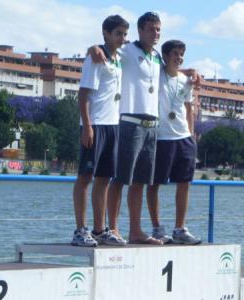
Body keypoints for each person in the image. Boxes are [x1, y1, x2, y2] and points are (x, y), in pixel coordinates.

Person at [90, 12, 200, 245]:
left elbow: (172, 73)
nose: (155, 33)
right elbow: (108, 47)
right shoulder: (128, 50)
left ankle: (136, 231)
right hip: (130, 122)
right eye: (151, 29)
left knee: (140, 180)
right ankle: (114, 228)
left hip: (152, 126)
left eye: (158, 29)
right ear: (140, 30)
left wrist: (188, 71)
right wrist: (93, 47)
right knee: (120, 179)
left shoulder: (158, 58)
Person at [71, 15, 129, 247]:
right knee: (85, 177)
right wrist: (87, 125)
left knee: (104, 178)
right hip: (95, 124)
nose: (122, 38)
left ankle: (99, 229)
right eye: (118, 34)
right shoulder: (96, 58)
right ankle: (79, 230)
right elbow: (83, 94)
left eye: (125, 34)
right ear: (106, 33)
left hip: (112, 125)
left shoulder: (118, 58)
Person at [146, 40, 201, 245]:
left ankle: (179, 228)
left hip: (183, 138)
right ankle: (157, 228)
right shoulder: (156, 75)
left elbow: (188, 109)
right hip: (161, 138)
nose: (179, 58)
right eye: (175, 54)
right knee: (154, 184)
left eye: (181, 54)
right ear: (166, 56)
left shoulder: (186, 80)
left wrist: (192, 135)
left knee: (184, 183)